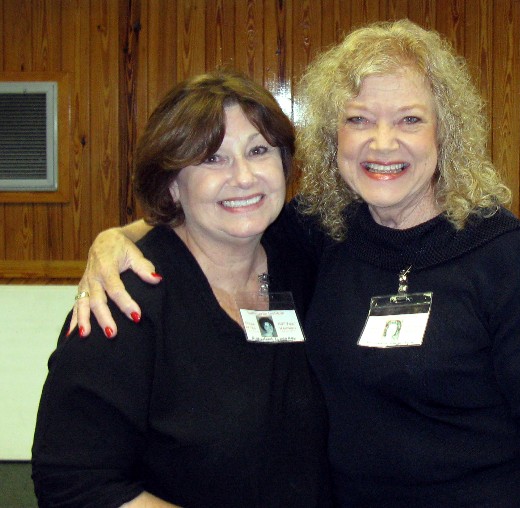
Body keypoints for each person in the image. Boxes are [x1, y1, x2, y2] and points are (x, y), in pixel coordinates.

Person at [69, 20, 520, 507]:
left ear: (445, 134)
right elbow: (223, 213)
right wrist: (114, 240)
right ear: (333, 137)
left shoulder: (505, 257)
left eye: (409, 120)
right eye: (358, 119)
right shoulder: (326, 233)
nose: (381, 143)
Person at [31, 70, 331, 507]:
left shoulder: (301, 251)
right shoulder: (125, 304)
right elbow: (74, 483)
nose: (244, 177)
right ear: (172, 183)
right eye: (213, 159)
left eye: (258, 151)